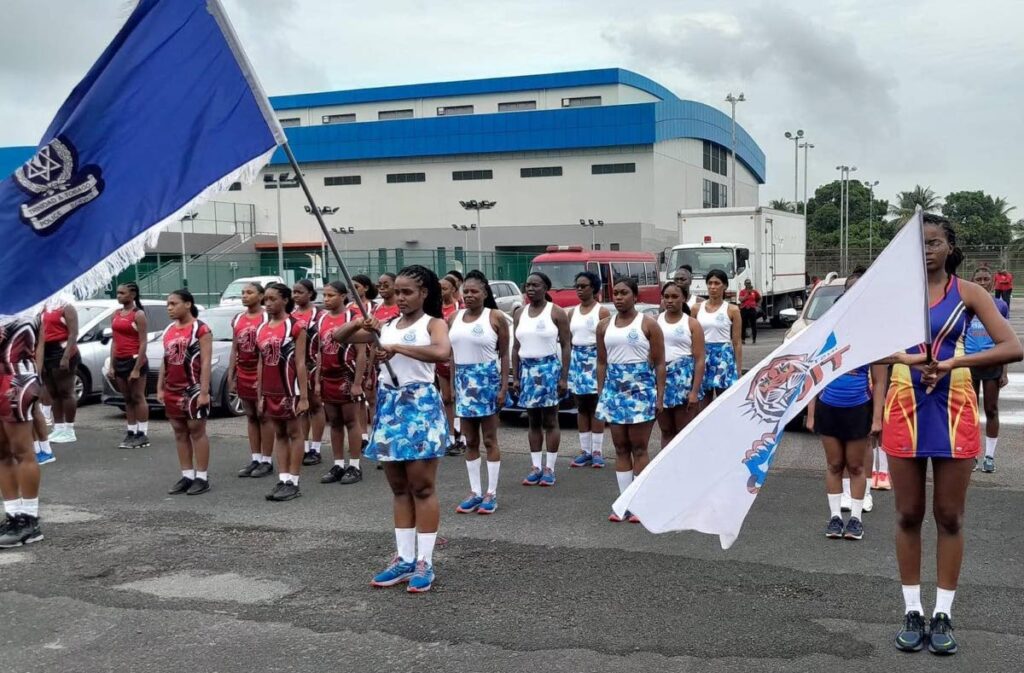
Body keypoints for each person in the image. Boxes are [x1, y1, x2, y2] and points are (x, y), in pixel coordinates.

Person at [883, 214, 1021, 655]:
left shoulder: (970, 293)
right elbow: (866, 346)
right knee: (907, 514)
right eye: (919, 244)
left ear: (949, 247)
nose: (926, 251)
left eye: (934, 242)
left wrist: (950, 365)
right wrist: (905, 357)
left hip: (955, 409)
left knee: (949, 516)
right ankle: (912, 609)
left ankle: (942, 612)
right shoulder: (894, 295)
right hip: (904, 408)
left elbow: (1012, 346)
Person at [334, 265, 451, 593]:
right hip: (389, 406)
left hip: (420, 407)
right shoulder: (385, 325)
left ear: (423, 293)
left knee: (422, 486)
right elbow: (336, 338)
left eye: (406, 292)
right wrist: (360, 322)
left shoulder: (433, 323)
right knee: (399, 487)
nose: (399, 297)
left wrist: (398, 348)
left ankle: (425, 562)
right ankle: (404, 557)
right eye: (395, 292)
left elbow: (442, 352)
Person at [805, 269, 887, 541]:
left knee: (856, 467)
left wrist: (877, 419)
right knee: (833, 465)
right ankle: (834, 518)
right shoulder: (824, 339)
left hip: (858, 409)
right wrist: (811, 413)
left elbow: (879, 380)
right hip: (829, 409)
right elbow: (814, 379)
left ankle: (855, 519)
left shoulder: (869, 339)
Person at [596, 278, 666, 522]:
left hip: (640, 390)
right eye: (615, 293)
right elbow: (602, 361)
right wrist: (601, 391)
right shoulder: (604, 326)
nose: (618, 297)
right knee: (620, 447)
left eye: (624, 293)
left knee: (639, 447)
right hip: (614, 391)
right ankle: (623, 502)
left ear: (635, 296)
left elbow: (659, 363)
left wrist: (659, 395)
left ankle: (640, 504)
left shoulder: (648, 325)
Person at [449, 271, 510, 514]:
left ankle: (491, 493)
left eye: (474, 291)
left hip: (487, 382)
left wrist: (504, 387)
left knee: (489, 439)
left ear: (485, 293)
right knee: (470, 440)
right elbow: (452, 355)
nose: (469, 295)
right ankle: (475, 491)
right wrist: (453, 384)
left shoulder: (495, 317)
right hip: (464, 383)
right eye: (466, 291)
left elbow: (504, 354)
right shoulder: (454, 318)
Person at [512, 272, 571, 487]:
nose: (530, 289)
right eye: (527, 285)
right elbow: (516, 346)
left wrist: (564, 377)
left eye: (535, 285)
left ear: (546, 288)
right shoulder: (519, 313)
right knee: (532, 420)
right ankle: (535, 466)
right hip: (527, 370)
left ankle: (550, 468)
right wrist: (516, 376)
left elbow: (566, 345)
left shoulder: (556, 313)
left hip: (548, 370)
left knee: (550, 420)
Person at [157, 289, 213, 496]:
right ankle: (187, 474)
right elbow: (166, 360)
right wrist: (160, 387)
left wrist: (204, 391)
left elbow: (206, 361)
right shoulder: (169, 330)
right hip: (172, 388)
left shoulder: (201, 329)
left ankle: (202, 477)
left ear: (188, 304)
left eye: (174, 304)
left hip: (193, 388)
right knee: (179, 432)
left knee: (197, 432)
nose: (170, 308)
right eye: (168, 305)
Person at [257, 283, 309, 502]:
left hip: (290, 389)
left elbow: (300, 363)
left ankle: (294, 481)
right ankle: (283, 477)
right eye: (266, 300)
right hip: (271, 390)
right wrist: (260, 395)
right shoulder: (262, 328)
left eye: (272, 299)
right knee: (279, 433)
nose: (268, 304)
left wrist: (304, 396)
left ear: (285, 300)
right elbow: (260, 364)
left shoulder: (296, 327)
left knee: (295, 433)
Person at [0, 317, 45, 548]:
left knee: (21, 450)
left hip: (16, 378)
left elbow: (35, 343)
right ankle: (13, 515)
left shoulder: (26, 304)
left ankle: (29, 520)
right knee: (2, 453)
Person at [316, 281, 367, 485]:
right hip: (328, 376)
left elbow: (362, 353)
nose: (326, 299)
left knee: (351, 420)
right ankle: (338, 463)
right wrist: (318, 379)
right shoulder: (321, 320)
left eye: (331, 295)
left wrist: (357, 383)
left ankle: (354, 465)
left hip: (347, 374)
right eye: (324, 295)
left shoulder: (354, 319)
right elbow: (320, 351)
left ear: (343, 296)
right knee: (334, 421)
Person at [965, 266, 1010, 473]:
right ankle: (971, 453)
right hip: (970, 363)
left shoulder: (999, 306)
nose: (982, 282)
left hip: (992, 363)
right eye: (978, 279)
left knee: (991, 409)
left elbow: (1006, 340)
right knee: (970, 410)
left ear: (992, 282)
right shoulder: (965, 306)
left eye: (985, 279)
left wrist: (1004, 370)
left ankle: (989, 456)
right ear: (972, 281)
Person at [229, 281, 274, 479]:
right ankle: (255, 457)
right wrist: (232, 374)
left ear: (261, 295)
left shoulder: (267, 317)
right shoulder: (238, 318)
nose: (245, 296)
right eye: (243, 293)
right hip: (243, 372)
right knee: (250, 416)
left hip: (262, 372)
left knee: (264, 415)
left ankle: (267, 460)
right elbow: (234, 348)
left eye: (249, 292)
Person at [568, 271, 610, 469]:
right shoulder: (572, 312)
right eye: (577, 286)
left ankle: (597, 451)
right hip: (577, 360)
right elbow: (568, 341)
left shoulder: (601, 312)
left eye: (583, 286)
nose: (579, 289)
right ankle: (584, 450)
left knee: (596, 405)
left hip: (595, 360)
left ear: (593, 288)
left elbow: (607, 340)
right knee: (581, 406)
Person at [657, 281, 705, 447]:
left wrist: (694, 391)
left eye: (675, 297)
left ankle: (685, 469)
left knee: (682, 431)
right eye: (666, 297)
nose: (670, 300)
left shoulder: (692, 324)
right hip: (662, 380)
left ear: (684, 298)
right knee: (666, 430)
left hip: (684, 381)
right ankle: (666, 468)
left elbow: (699, 359)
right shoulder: (655, 322)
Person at [107, 282, 150, 449]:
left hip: (135, 361)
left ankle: (142, 434)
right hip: (120, 361)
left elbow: (143, 342)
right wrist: (111, 365)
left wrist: (137, 368)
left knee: (138, 397)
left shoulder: (138, 315)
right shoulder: (115, 314)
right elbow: (115, 342)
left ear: (132, 295)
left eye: (122, 293)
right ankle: (131, 432)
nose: (119, 296)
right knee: (127, 399)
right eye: (117, 293)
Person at [292, 279, 325, 467]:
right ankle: (303, 446)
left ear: (310, 294)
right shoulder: (291, 316)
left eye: (300, 292)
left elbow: (322, 346)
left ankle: (316, 447)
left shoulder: (319, 316)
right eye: (294, 292)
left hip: (313, 365)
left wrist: (319, 375)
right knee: (300, 407)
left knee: (315, 405)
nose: (296, 295)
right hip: (297, 366)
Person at [696, 269, 742, 402]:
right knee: (704, 401)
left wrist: (738, 369)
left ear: (725, 286)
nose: (713, 287)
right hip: (702, 355)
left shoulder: (732, 310)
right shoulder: (696, 308)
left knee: (724, 400)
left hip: (724, 357)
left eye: (717, 283)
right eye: (710, 283)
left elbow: (737, 342)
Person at [37, 302, 79, 444]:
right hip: (46, 350)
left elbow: (73, 334)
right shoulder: (43, 307)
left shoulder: (66, 307)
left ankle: (69, 429)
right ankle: (59, 427)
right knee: (53, 392)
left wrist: (66, 357)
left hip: (62, 350)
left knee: (66, 391)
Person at [438, 274, 465, 456]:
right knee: (446, 398)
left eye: (445, 288)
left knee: (459, 399)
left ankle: (462, 437)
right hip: (441, 361)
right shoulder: (436, 309)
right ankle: (449, 436)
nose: (441, 291)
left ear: (454, 290)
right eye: (439, 288)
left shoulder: (460, 308)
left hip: (457, 360)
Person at [738, 279, 761, 344]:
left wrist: (758, 305)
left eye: (749, 283)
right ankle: (743, 339)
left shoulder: (754, 292)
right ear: (745, 284)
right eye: (747, 283)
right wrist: (747, 294)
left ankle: (754, 339)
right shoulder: (742, 292)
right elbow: (741, 300)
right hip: (744, 309)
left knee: (753, 324)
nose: (748, 285)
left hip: (752, 309)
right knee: (743, 324)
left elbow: (759, 298)